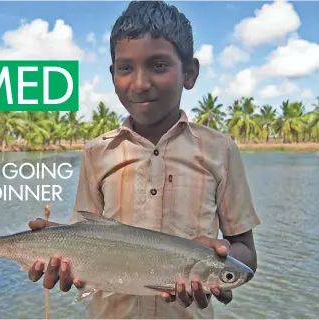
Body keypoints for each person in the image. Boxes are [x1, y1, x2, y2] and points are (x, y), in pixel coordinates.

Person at [27, 1, 260, 318]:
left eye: (159, 65)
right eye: (126, 68)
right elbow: (88, 232)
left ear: (189, 73)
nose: (140, 83)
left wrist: (220, 258)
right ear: (113, 75)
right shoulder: (97, 152)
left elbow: (245, 252)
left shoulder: (221, 150)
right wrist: (60, 249)